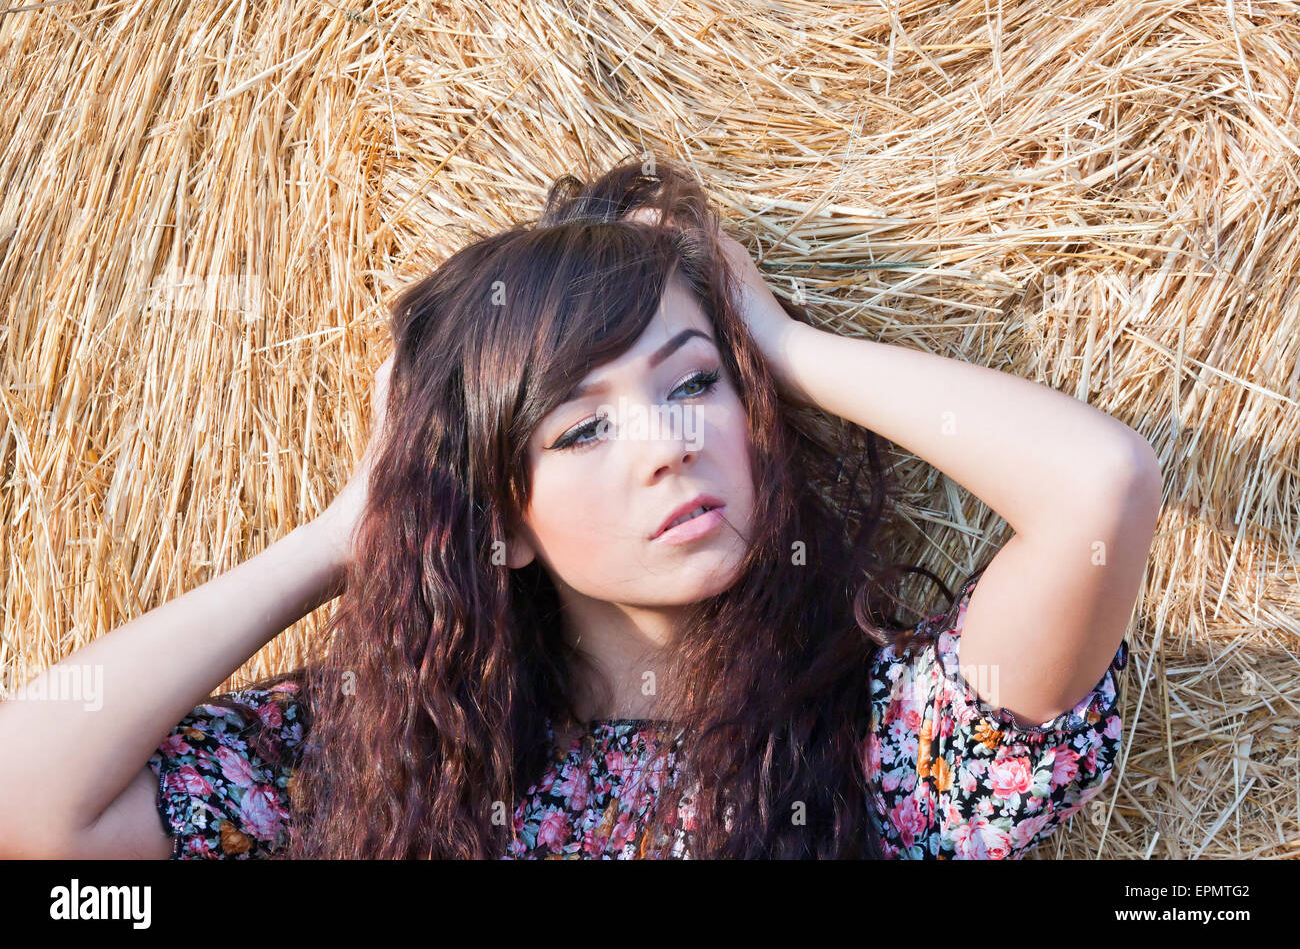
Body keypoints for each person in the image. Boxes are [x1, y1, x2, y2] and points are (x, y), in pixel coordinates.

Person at [0, 155, 1159, 859]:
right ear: (498, 517)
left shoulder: (883, 743)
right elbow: (26, 801)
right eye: (582, 426)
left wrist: (779, 343)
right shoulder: (381, 767)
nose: (667, 446)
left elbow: (1097, 488)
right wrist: (353, 530)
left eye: (694, 382)